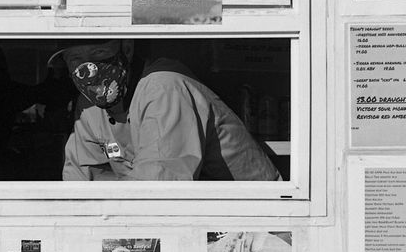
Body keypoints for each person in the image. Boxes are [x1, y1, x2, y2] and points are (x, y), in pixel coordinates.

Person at [48, 39, 280, 181]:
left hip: (253, 220)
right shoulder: (89, 103)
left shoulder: (164, 86)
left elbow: (159, 190)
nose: (87, 69)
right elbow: (80, 182)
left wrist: (108, 182)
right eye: (75, 59)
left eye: (98, 54)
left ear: (126, 49)